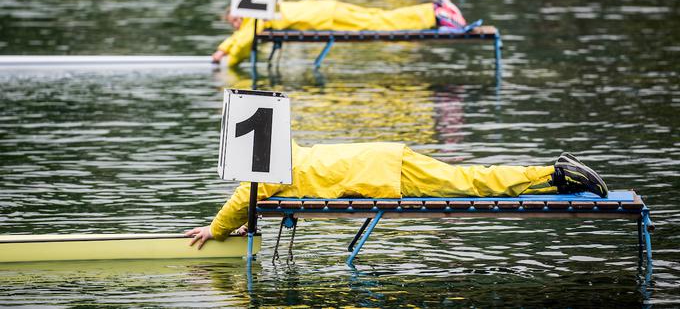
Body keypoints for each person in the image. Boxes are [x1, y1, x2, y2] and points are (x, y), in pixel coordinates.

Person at [185, 144, 608, 249]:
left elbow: (245, 195)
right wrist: (248, 227)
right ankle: (556, 179)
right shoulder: (286, 156)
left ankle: (554, 173)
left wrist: (216, 228)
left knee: (470, 183)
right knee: (468, 177)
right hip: (382, 159)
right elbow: (256, 198)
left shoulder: (266, 171)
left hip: (385, 172)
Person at [211, 0, 473, 67]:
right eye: (233, 23)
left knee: (378, 24)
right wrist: (230, 46)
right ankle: (433, 8)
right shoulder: (263, 11)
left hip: (328, 18)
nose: (237, 25)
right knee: (379, 17)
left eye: (236, 20)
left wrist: (224, 54)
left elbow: (245, 39)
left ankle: (433, 12)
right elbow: (244, 35)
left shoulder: (258, 17)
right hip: (328, 10)